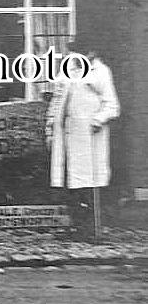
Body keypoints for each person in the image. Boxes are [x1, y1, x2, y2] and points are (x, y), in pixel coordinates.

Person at [46, 39, 120, 241]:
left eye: (83, 52)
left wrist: (98, 120)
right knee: (71, 182)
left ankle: (89, 229)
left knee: (88, 183)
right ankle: (75, 226)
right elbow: (57, 99)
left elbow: (112, 105)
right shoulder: (68, 69)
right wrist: (50, 127)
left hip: (89, 136)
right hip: (67, 134)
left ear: (93, 52)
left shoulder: (100, 72)